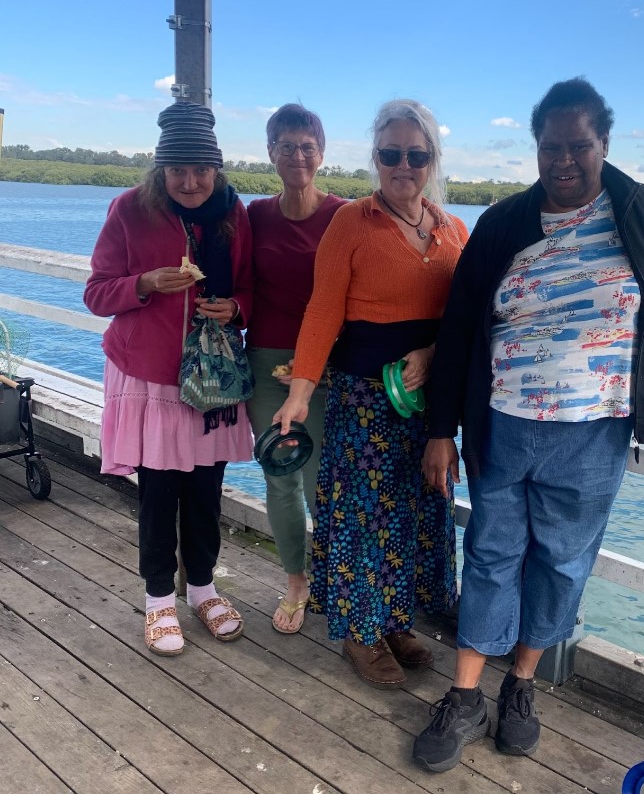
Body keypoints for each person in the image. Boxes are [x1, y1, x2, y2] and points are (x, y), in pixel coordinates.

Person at [412, 77, 644, 772]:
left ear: (603, 144)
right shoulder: (503, 222)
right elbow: (457, 325)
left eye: (578, 146)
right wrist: (440, 428)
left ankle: (521, 686)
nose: (563, 160)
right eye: (549, 147)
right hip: (502, 420)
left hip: (595, 430)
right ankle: (466, 692)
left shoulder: (643, 211)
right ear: (533, 147)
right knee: (489, 554)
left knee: (562, 563)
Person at [275, 99, 469, 688]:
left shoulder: (454, 229)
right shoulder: (351, 223)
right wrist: (300, 394)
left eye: (416, 154)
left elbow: (466, 319)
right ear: (376, 158)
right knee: (365, 517)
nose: (403, 165)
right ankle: (362, 633)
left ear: (432, 159)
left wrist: (433, 357)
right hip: (364, 401)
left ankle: (395, 620)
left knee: (413, 513)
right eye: (390, 154)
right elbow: (322, 313)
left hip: (428, 404)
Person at [84, 102, 254, 656]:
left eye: (200, 170)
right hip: (152, 379)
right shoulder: (129, 210)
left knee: (206, 489)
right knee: (158, 493)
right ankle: (159, 599)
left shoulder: (235, 214)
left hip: (215, 379)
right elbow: (96, 293)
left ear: (217, 169)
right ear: (160, 170)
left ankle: (202, 587)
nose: (190, 181)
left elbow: (252, 289)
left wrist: (237, 308)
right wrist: (144, 283)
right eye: (177, 170)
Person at [245, 104, 345, 634]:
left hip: (325, 369)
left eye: (308, 146)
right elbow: (237, 283)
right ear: (271, 153)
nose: (298, 155)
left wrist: (325, 365)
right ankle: (296, 581)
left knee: (323, 481)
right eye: (287, 145)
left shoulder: (344, 215)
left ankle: (333, 579)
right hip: (265, 364)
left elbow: (357, 296)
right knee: (280, 477)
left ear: (321, 153)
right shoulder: (254, 215)